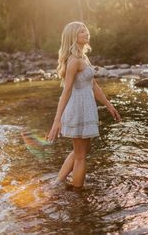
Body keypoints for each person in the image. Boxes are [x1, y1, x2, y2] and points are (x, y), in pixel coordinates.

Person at [47, 21, 121, 189]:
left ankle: (57, 182)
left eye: (86, 30)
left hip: (86, 107)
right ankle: (77, 196)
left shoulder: (83, 57)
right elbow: (66, 92)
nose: (86, 33)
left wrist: (109, 106)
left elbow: (93, 85)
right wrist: (57, 120)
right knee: (81, 155)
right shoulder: (74, 61)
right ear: (73, 37)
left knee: (82, 150)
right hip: (77, 109)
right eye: (81, 32)